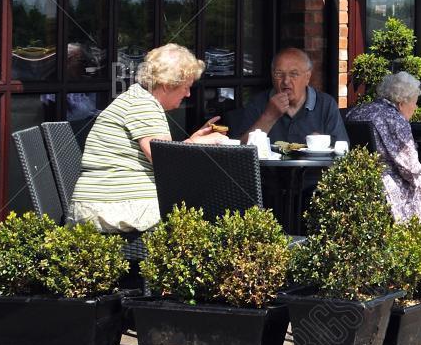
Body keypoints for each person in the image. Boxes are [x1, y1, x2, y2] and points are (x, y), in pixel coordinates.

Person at [71, 43, 228, 232]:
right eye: (186, 87)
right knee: (212, 211)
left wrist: (192, 142)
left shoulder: (138, 98)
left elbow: (161, 155)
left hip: (106, 205)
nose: (188, 94)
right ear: (168, 84)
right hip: (112, 209)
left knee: (201, 210)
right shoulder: (143, 105)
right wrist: (197, 144)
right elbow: (167, 165)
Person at [344, 72, 421, 223]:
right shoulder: (396, 119)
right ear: (401, 103)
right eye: (414, 102)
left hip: (359, 180)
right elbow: (410, 170)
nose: (415, 107)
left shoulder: (357, 111)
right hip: (386, 185)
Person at [228, 47, 347, 148]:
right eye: (279, 74)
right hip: (268, 174)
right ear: (272, 75)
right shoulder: (259, 103)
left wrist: (323, 142)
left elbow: (343, 148)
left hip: (313, 174)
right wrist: (269, 116)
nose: (286, 81)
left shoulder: (325, 104)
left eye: (294, 74)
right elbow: (240, 150)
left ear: (307, 77)